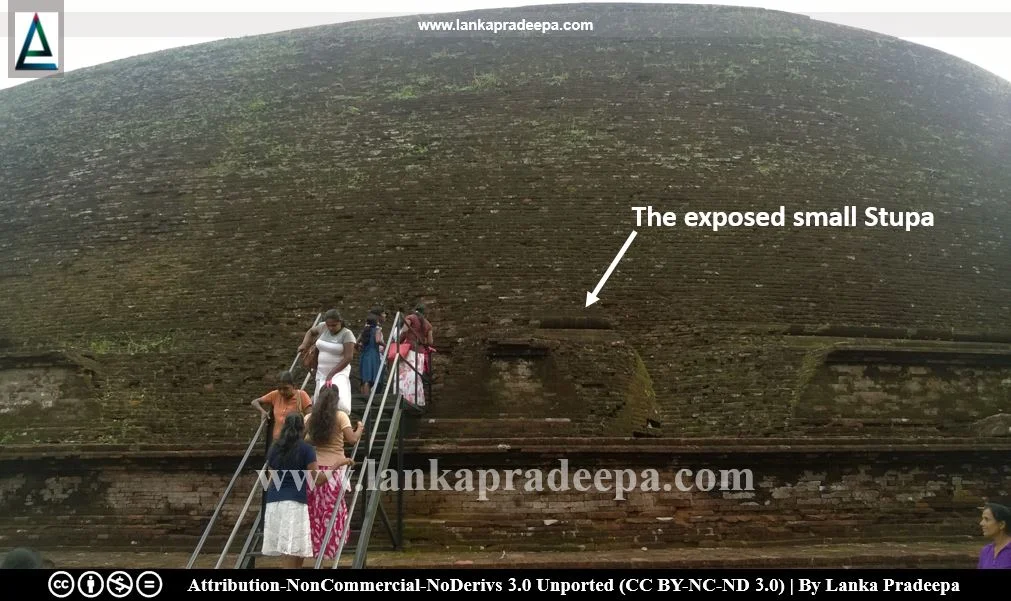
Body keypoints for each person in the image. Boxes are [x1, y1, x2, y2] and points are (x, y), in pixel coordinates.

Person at [304, 385, 363, 560]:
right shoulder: (340, 416)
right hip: (335, 469)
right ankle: (331, 548)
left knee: (315, 510)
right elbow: (352, 439)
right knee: (333, 509)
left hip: (313, 469)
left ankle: (315, 550)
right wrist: (359, 427)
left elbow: (302, 439)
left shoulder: (309, 418)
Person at [261, 412, 320, 569]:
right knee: (292, 550)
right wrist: (337, 465)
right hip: (294, 504)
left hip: (274, 502)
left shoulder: (274, 448)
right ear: (302, 428)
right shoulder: (307, 449)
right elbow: (317, 479)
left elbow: (270, 479)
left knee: (290, 551)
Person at [298, 309, 355, 414]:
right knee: (320, 401)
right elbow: (311, 332)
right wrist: (304, 344)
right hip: (322, 372)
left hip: (338, 372)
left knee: (338, 400)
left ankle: (340, 421)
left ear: (340, 322)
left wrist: (331, 374)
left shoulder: (347, 334)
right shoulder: (323, 327)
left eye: (334, 325)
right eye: (329, 325)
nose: (330, 328)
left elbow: (348, 357)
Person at [251, 371, 312, 442]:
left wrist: (302, 434)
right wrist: (262, 411)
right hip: (277, 442)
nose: (282, 392)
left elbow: (311, 416)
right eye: (279, 388)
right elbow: (255, 402)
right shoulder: (275, 395)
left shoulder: (301, 395)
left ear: (294, 386)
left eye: (286, 388)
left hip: (295, 442)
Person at [398, 304, 433, 410]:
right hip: (420, 353)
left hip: (410, 350)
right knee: (415, 376)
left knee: (405, 376)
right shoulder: (428, 324)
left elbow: (404, 331)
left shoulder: (410, 318)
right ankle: (416, 399)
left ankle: (403, 398)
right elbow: (430, 342)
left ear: (415, 310)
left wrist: (398, 341)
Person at [357, 313, 384, 397]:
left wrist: (361, 347)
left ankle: (365, 399)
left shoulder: (364, 331)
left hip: (364, 355)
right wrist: (386, 345)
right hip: (373, 355)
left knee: (365, 378)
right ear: (376, 322)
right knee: (372, 378)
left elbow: (356, 343)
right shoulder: (377, 330)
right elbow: (378, 341)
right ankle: (368, 400)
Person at [978, 502, 1011, 569]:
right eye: (982, 519)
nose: (981, 523)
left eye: (986, 519)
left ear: (1001, 524)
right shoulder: (986, 551)